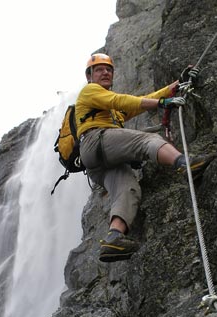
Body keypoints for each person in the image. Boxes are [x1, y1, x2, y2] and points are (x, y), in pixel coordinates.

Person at [76, 53, 210, 262]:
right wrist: (163, 103)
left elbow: (139, 101)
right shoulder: (90, 91)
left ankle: (114, 237)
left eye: (109, 69)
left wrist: (175, 85)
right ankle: (185, 164)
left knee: (128, 188)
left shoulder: (111, 111)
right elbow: (122, 100)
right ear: (90, 76)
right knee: (145, 140)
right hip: (96, 140)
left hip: (96, 161)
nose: (105, 72)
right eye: (99, 69)